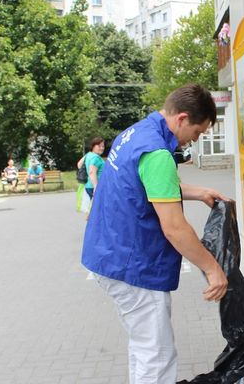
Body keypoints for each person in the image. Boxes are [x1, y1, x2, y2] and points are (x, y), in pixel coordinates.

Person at [81, 84, 229, 383]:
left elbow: (144, 185)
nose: (194, 141)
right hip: (134, 266)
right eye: (197, 133)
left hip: (110, 253)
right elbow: (175, 228)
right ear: (182, 119)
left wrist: (198, 192)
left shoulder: (135, 134)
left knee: (144, 345)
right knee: (156, 354)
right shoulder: (158, 152)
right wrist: (213, 270)